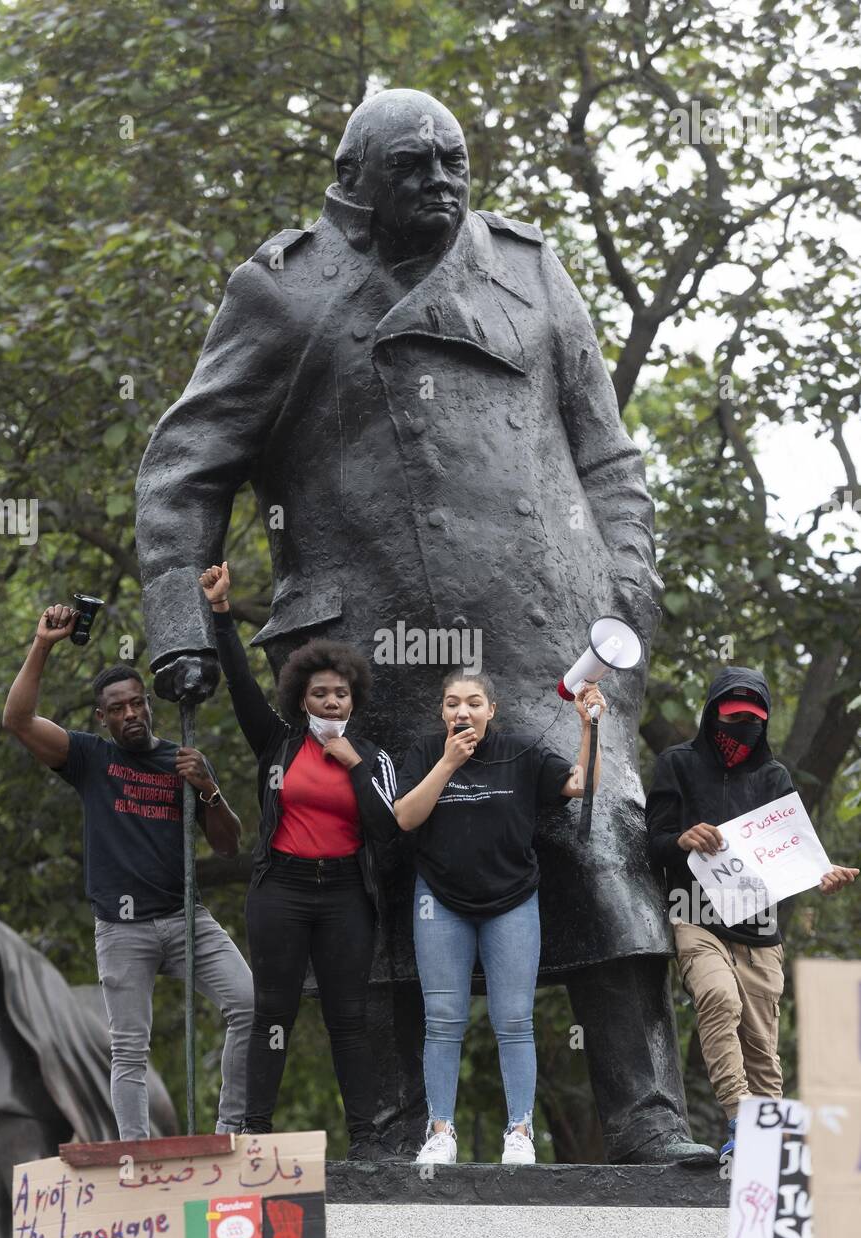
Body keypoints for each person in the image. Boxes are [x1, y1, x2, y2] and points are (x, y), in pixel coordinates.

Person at [134, 87, 712, 1165]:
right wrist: (177, 621)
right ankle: (396, 1131)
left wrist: (627, 587)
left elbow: (608, 457)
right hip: (366, 640)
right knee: (385, 874)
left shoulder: (531, 269)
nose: (443, 182)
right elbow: (182, 470)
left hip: (547, 630)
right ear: (353, 181)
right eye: (414, 165)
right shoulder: (282, 291)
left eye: (454, 160)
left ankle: (645, 1113)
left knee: (598, 837)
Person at [2, 604, 253, 1140]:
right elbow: (17, 721)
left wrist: (207, 786)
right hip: (122, 929)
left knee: (248, 1002)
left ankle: (231, 1127)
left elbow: (230, 847)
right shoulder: (90, 759)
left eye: (138, 703)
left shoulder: (183, 762)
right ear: (103, 717)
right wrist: (43, 643)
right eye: (118, 708)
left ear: (150, 706)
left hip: (185, 920)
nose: (132, 714)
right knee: (129, 1048)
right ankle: (135, 1151)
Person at [199, 562, 398, 1159]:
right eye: (319, 693)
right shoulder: (279, 743)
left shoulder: (372, 755)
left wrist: (351, 762)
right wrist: (221, 615)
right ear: (301, 698)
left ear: (353, 698)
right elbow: (239, 685)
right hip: (281, 889)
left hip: (344, 895)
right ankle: (255, 1129)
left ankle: (366, 1139)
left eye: (340, 693)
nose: (331, 700)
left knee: (348, 1018)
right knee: (273, 1012)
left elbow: (386, 830)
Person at [393, 667, 607, 1165]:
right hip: (440, 901)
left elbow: (583, 784)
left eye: (472, 702)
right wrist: (448, 763)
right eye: (451, 703)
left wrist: (589, 726)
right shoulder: (427, 752)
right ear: (441, 712)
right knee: (443, 1019)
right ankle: (440, 1131)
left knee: (513, 1019)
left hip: (512, 900)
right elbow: (404, 817)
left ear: (493, 709)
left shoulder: (522, 751)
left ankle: (520, 1131)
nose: (461, 711)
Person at [645, 666, 858, 1157]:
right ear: (712, 711)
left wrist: (820, 874)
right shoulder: (676, 764)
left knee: (763, 1050)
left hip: (760, 929)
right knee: (719, 999)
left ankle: (769, 1148)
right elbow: (651, 845)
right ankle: (741, 1119)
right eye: (734, 715)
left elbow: (795, 854)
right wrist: (681, 838)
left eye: (755, 718)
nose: (744, 726)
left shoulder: (774, 776)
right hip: (695, 917)